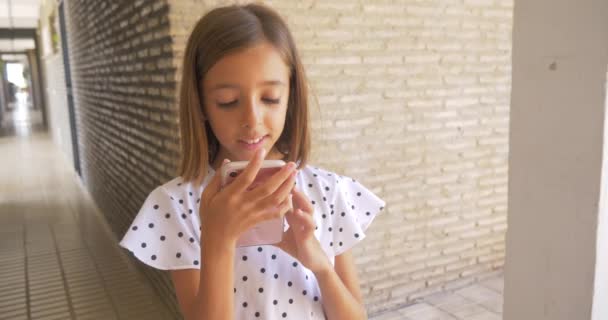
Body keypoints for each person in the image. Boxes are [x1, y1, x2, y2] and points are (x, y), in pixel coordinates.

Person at [119, 3, 385, 320]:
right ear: (201, 103)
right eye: (228, 102)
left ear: (291, 97)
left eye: (270, 98)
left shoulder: (330, 191)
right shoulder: (176, 204)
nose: (252, 119)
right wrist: (218, 239)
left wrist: (318, 264)